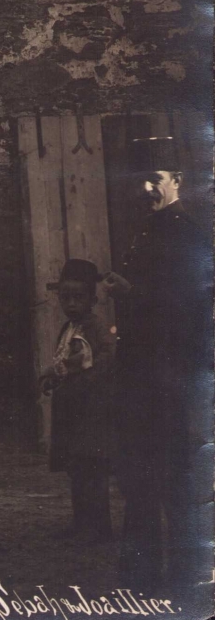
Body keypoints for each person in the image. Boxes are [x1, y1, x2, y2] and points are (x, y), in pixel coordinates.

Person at [104, 136, 214, 595]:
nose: (145, 189)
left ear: (178, 181)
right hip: (143, 373)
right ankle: (143, 575)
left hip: (169, 374)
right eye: (139, 180)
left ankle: (185, 576)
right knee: (141, 472)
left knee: (171, 473)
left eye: (155, 179)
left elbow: (187, 308)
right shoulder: (150, 230)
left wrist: (131, 294)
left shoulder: (185, 234)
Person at [39, 259, 116, 543]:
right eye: (65, 298)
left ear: (92, 300)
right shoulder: (68, 328)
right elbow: (65, 362)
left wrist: (88, 380)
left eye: (78, 298)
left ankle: (99, 528)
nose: (71, 304)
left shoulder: (96, 328)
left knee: (92, 468)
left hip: (91, 409)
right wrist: (53, 378)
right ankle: (81, 523)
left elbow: (108, 357)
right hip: (72, 410)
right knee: (76, 468)